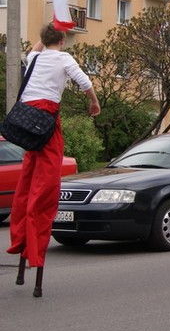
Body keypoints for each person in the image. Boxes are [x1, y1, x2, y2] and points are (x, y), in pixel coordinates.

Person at [6, 23, 101, 297]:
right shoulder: (63, 57)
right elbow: (85, 83)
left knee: (27, 181)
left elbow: (31, 50)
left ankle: (21, 243)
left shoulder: (36, 56)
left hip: (27, 120)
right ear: (62, 39)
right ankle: (34, 249)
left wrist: (51, 29)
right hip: (46, 120)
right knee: (45, 188)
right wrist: (94, 102)